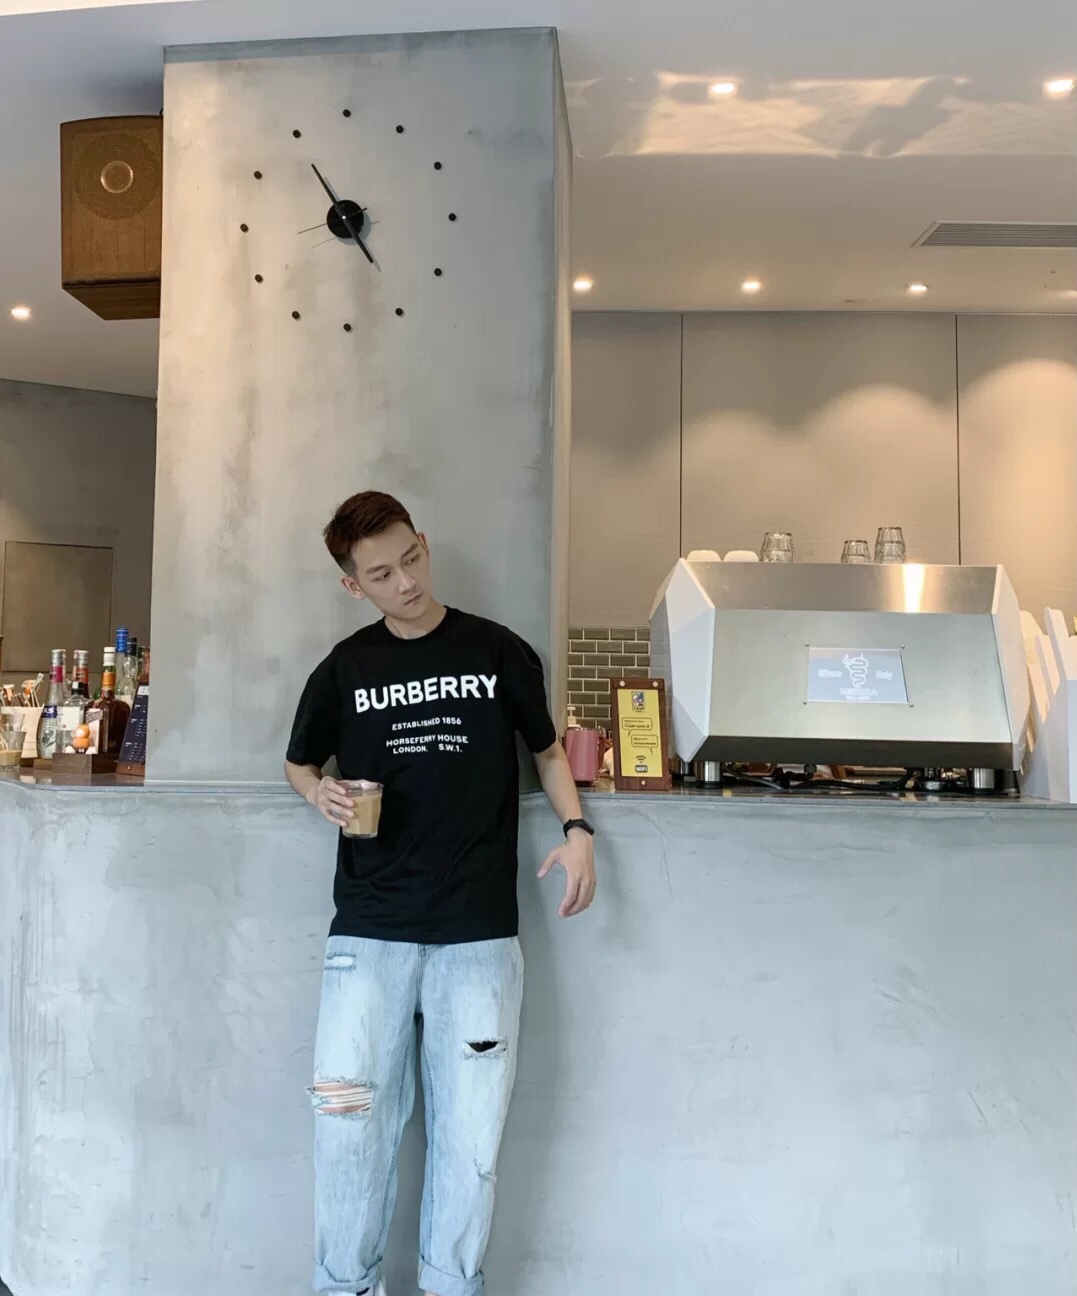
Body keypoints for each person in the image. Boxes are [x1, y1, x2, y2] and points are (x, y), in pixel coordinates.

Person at [284, 490, 596, 1296]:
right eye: (381, 575)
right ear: (353, 585)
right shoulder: (345, 668)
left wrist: (577, 832)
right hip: (367, 932)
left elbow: (547, 751)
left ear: (423, 542)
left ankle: (451, 1287)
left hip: (477, 936)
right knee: (346, 1130)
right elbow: (298, 761)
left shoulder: (498, 651)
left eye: (411, 559)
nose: (406, 583)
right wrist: (316, 793)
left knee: (470, 1140)